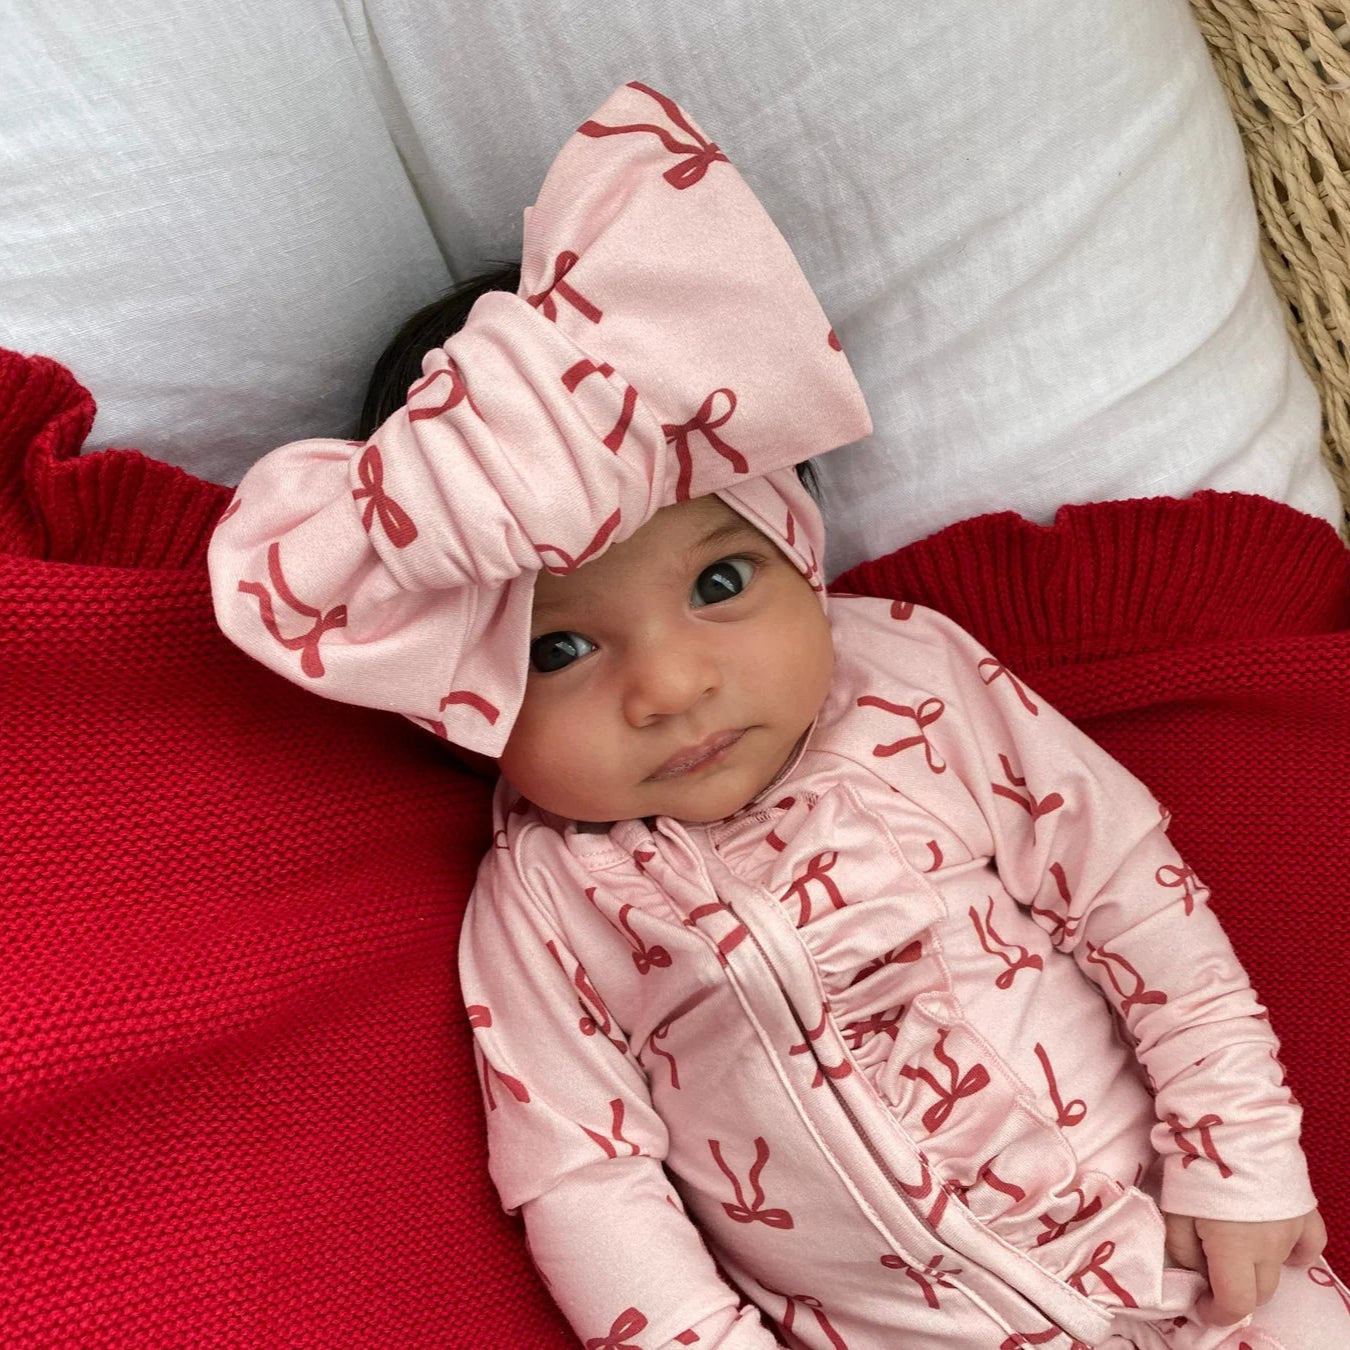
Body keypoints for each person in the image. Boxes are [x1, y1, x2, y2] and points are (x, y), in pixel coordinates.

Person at [207, 84, 1347, 1348]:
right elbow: (589, 1182)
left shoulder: (911, 682)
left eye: (719, 582)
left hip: (1197, 1265)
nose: (673, 686)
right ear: (461, 693)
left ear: (797, 541)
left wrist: (1235, 1149)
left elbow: (1134, 898)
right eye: (564, 646)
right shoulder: (542, 909)